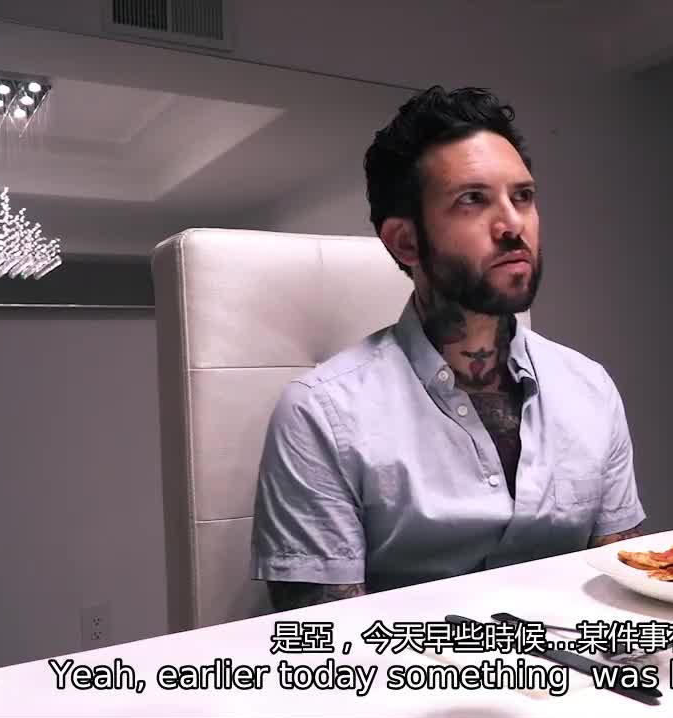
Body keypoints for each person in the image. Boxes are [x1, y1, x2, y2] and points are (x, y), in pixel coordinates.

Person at [250, 86, 646, 611]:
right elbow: (325, 641)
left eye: (523, 197)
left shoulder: (589, 388)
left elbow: (627, 592)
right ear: (406, 242)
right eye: (472, 200)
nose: (513, 226)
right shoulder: (321, 414)